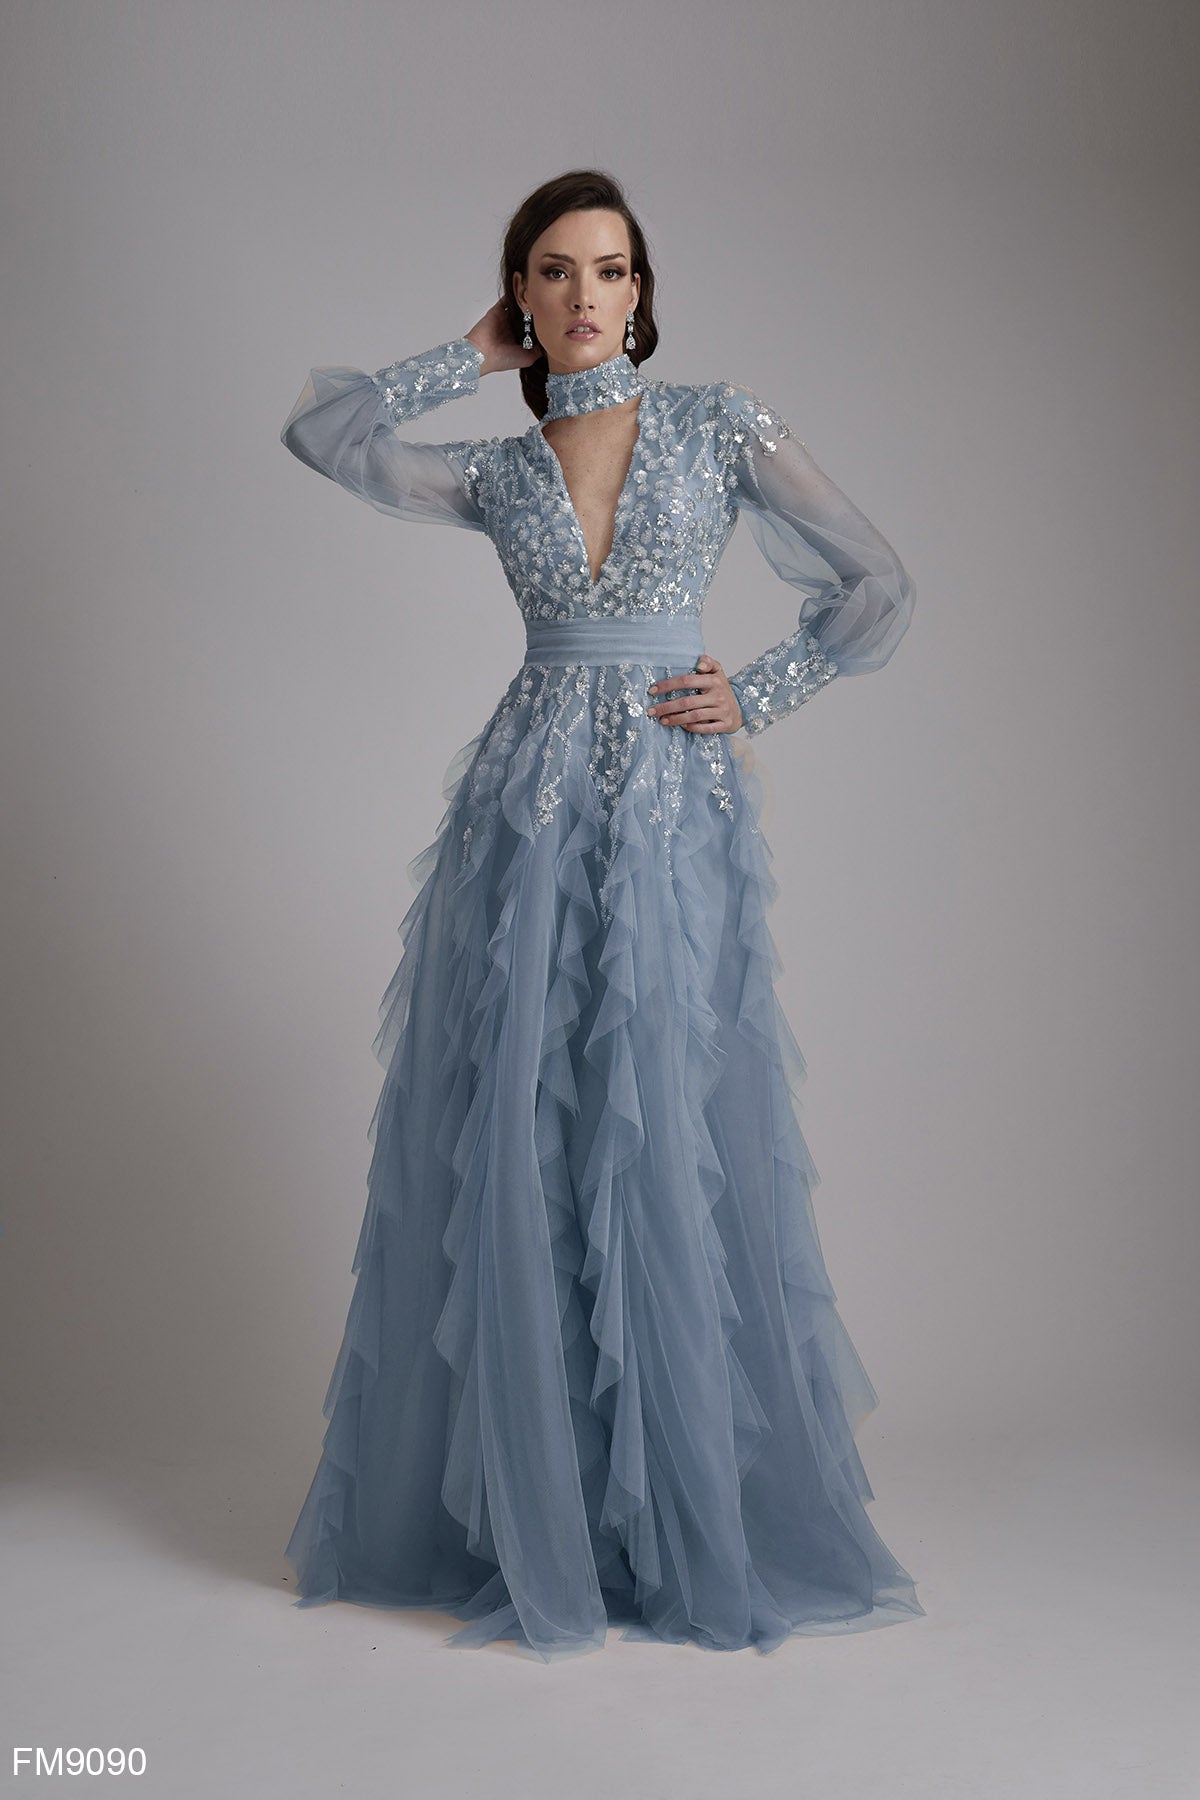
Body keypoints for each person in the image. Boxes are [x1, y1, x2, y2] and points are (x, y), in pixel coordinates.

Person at [279, 168, 922, 1662]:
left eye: (611, 270)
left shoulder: (716, 423)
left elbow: (878, 579)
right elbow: (327, 434)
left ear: (643, 294)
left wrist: (761, 690)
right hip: (524, 813)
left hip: (673, 809)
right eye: (555, 272)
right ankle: (547, 1512)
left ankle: (678, 1519)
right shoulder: (499, 472)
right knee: (528, 1124)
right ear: (523, 293)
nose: (585, 296)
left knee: (661, 1115)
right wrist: (466, 356)